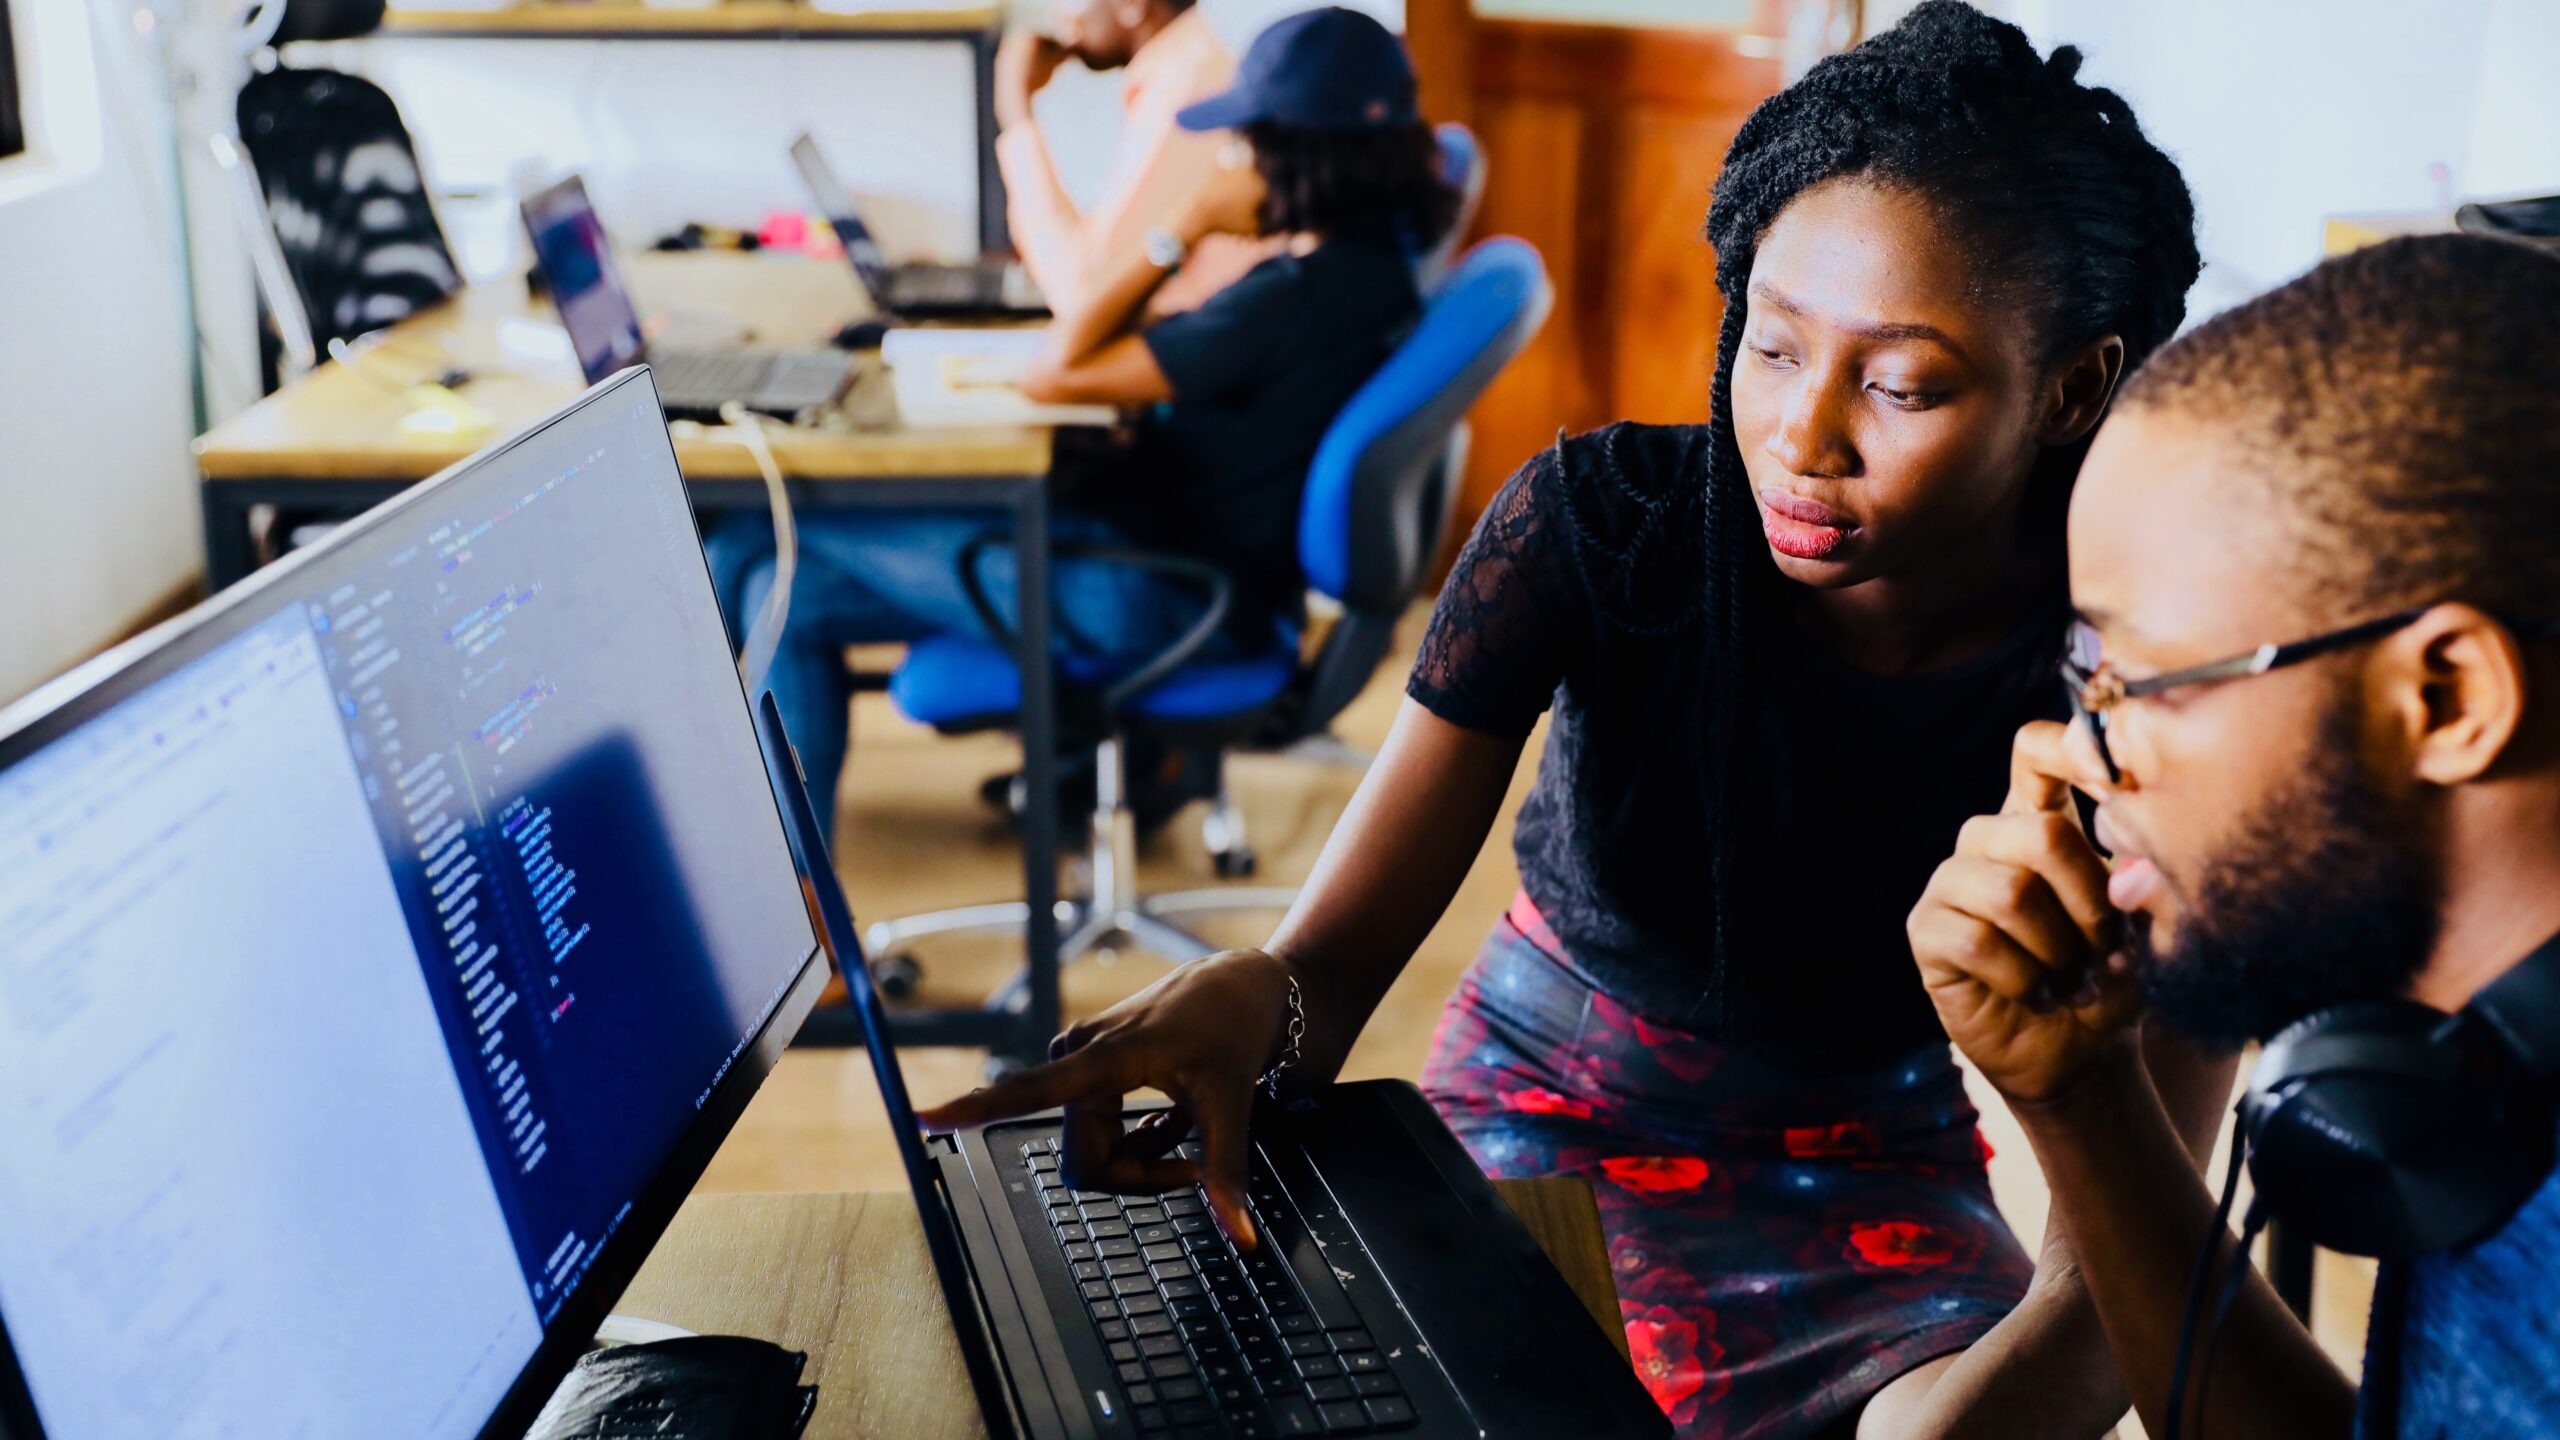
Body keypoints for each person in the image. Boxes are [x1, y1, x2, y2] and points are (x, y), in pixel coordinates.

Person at [924, 5, 2213, 1436]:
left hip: (1871, 1165)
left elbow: (2111, 1298)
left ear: (2074, 387)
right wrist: (1262, 996)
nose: (1801, 435)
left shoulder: (2138, 683)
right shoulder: (1605, 531)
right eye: (1771, 348)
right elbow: (1327, 971)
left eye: (1901, 383)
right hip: (1540, 1110)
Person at [1908, 233, 2560, 1439]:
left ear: (2448, 700)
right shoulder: (2469, 1074)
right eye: (2082, 675)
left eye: (2138, 681)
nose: (2073, 754)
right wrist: (2082, 1101)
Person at [711, 7, 1457, 831]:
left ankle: (771, 882)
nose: (1226, 157)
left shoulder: (1286, 304)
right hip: (1195, 575)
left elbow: (1058, 367)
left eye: (1243, 139)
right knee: (786, 587)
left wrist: (1182, 227)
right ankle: (806, 897)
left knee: (755, 545)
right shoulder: (1376, 272)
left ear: (1296, 154)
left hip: (1153, 595)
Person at [996, 0, 1280, 317]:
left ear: (1132, 4)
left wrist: (1015, 111)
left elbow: (1086, 297)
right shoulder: (1181, 74)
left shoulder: (1185, 91)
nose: (1056, 12)